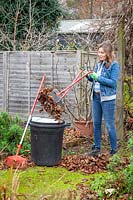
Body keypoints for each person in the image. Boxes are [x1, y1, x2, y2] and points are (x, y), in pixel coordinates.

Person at [86, 40, 120, 156]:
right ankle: (96, 148)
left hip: (107, 98)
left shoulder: (114, 65)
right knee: (96, 123)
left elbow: (113, 83)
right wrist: (89, 76)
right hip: (96, 97)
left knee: (109, 124)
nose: (99, 54)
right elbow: (94, 79)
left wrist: (98, 77)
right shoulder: (99, 64)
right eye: (99, 52)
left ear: (108, 53)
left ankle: (114, 150)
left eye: (102, 53)